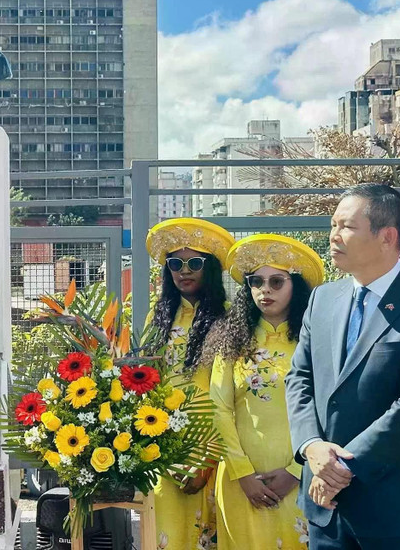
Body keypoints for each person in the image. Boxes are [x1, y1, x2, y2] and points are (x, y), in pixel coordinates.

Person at [286, 183, 400, 550]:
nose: (334, 236)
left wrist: (340, 469)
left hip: (398, 513)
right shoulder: (322, 299)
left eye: (347, 226)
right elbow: (299, 378)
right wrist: (312, 446)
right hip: (326, 511)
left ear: (387, 236)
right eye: (333, 225)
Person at [207, 234, 324, 550]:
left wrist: (298, 471)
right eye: (256, 281)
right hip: (241, 482)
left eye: (276, 281)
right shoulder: (231, 342)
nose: (265, 290)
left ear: (295, 286)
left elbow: (327, 409)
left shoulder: (315, 342)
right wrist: (242, 472)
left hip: (304, 478)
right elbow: (218, 408)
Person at [145, 217, 234, 549]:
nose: (184, 270)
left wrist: (206, 463)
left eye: (194, 262)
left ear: (209, 267)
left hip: (214, 447)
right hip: (164, 447)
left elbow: (232, 396)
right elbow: (147, 387)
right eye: (175, 263)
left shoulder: (228, 319)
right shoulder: (157, 320)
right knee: (167, 537)